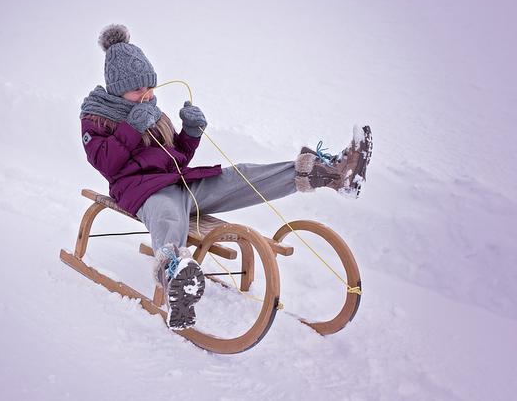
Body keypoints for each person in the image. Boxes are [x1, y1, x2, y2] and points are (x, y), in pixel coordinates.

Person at [80, 24, 372, 330]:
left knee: (241, 174)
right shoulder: (96, 116)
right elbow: (105, 163)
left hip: (182, 183)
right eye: (139, 89)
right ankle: (177, 280)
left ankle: (330, 174)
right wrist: (131, 128)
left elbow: (174, 156)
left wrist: (190, 134)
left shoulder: (149, 109)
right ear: (117, 89)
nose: (148, 95)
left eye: (151, 87)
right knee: (169, 218)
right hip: (145, 193)